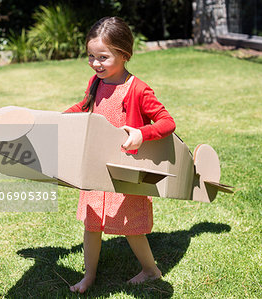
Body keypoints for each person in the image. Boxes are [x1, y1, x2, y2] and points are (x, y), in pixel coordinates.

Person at [64, 16, 176, 293]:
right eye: (91, 56)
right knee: (92, 225)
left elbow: (167, 121)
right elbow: (85, 106)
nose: (95, 63)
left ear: (124, 54)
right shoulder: (95, 82)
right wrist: (63, 119)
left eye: (103, 57)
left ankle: (150, 270)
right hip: (95, 166)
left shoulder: (138, 89)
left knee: (131, 227)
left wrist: (142, 133)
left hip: (126, 168)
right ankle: (89, 276)